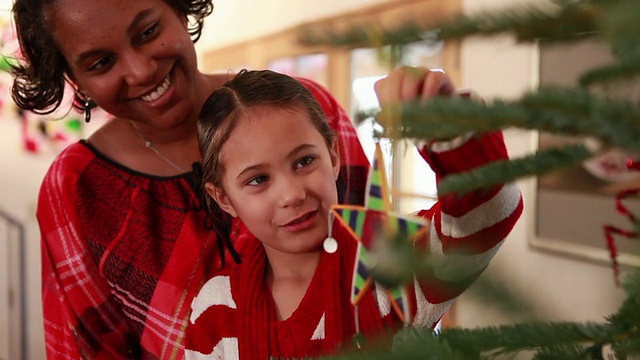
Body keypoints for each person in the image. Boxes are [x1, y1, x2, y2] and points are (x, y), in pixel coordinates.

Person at [10, 0, 372, 358]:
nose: (140, 71)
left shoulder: (304, 111)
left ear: (181, 11)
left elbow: (383, 258)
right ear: (76, 80)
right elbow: (87, 350)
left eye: (148, 32)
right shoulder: (76, 189)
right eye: (102, 62)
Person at [185, 69, 523, 359]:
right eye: (258, 179)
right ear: (223, 198)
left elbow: (488, 214)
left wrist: (450, 128)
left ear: (333, 156)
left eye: (304, 161)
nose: (292, 194)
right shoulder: (215, 307)